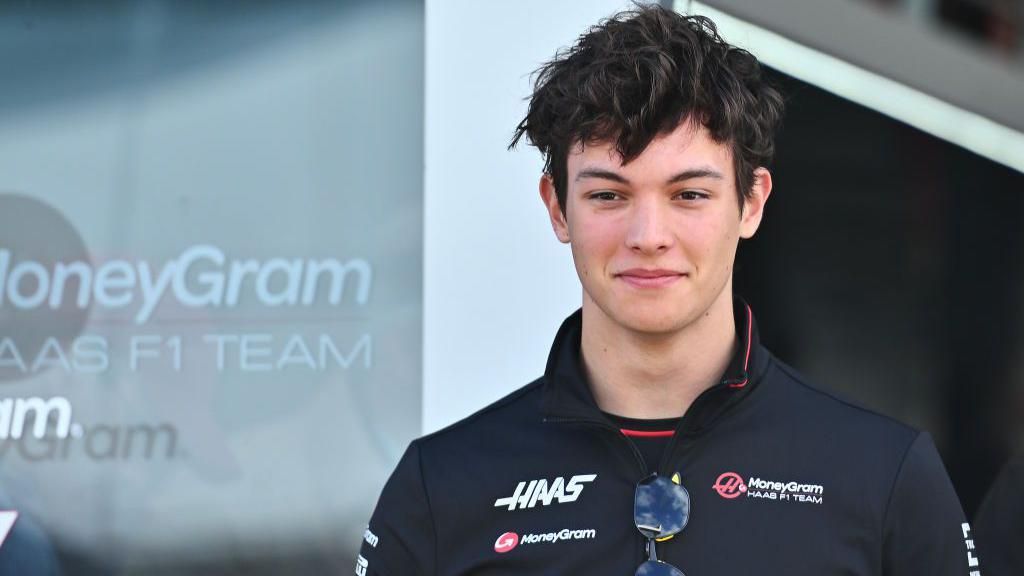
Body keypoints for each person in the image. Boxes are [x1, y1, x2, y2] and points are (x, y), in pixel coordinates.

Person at [357, 5, 977, 575]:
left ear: (752, 202)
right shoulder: (441, 486)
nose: (648, 236)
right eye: (608, 195)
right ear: (557, 208)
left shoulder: (886, 477)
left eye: (689, 195)